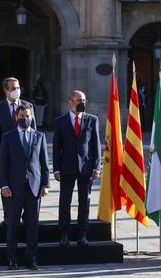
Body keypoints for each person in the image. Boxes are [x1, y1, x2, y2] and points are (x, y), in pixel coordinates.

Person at [0, 105, 50, 271]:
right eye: (21, 115)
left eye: (27, 115)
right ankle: (11, 258)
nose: (25, 118)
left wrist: (45, 184)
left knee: (32, 225)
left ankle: (31, 258)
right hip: (14, 188)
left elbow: (44, 163)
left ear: (32, 117)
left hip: (34, 188)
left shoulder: (39, 136)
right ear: (16, 117)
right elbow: (4, 165)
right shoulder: (8, 137)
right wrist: (4, 185)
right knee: (13, 224)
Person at [53, 90, 100, 247]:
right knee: (65, 202)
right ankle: (64, 234)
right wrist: (56, 169)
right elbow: (56, 147)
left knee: (84, 202)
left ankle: (82, 234)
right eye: (79, 100)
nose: (83, 103)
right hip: (66, 167)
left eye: (84, 100)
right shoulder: (60, 121)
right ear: (71, 102)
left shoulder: (92, 120)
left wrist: (96, 166)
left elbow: (96, 145)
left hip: (86, 168)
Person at [0, 77, 33, 224]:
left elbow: (35, 132)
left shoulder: (28, 106)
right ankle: (8, 216)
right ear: (6, 91)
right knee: (7, 183)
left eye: (18, 87)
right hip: (7, 152)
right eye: (13, 88)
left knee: (27, 183)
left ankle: (26, 215)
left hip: (26, 150)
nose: (16, 91)